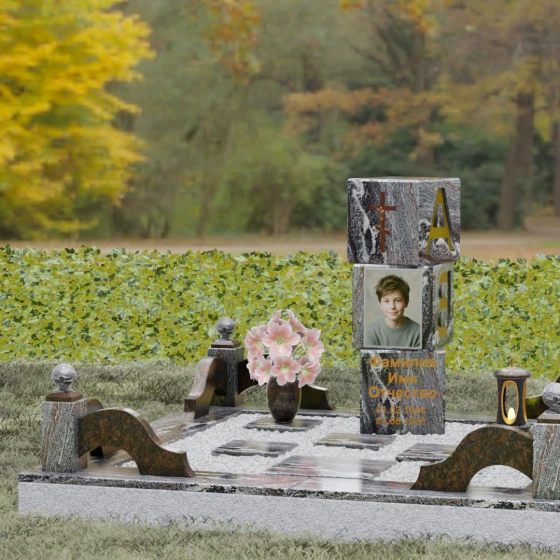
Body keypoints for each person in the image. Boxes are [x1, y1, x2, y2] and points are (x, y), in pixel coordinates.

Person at [366, 274, 421, 348]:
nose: (392, 306)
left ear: (406, 302)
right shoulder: (372, 332)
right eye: (386, 301)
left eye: (398, 300)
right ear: (380, 304)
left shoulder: (418, 332)